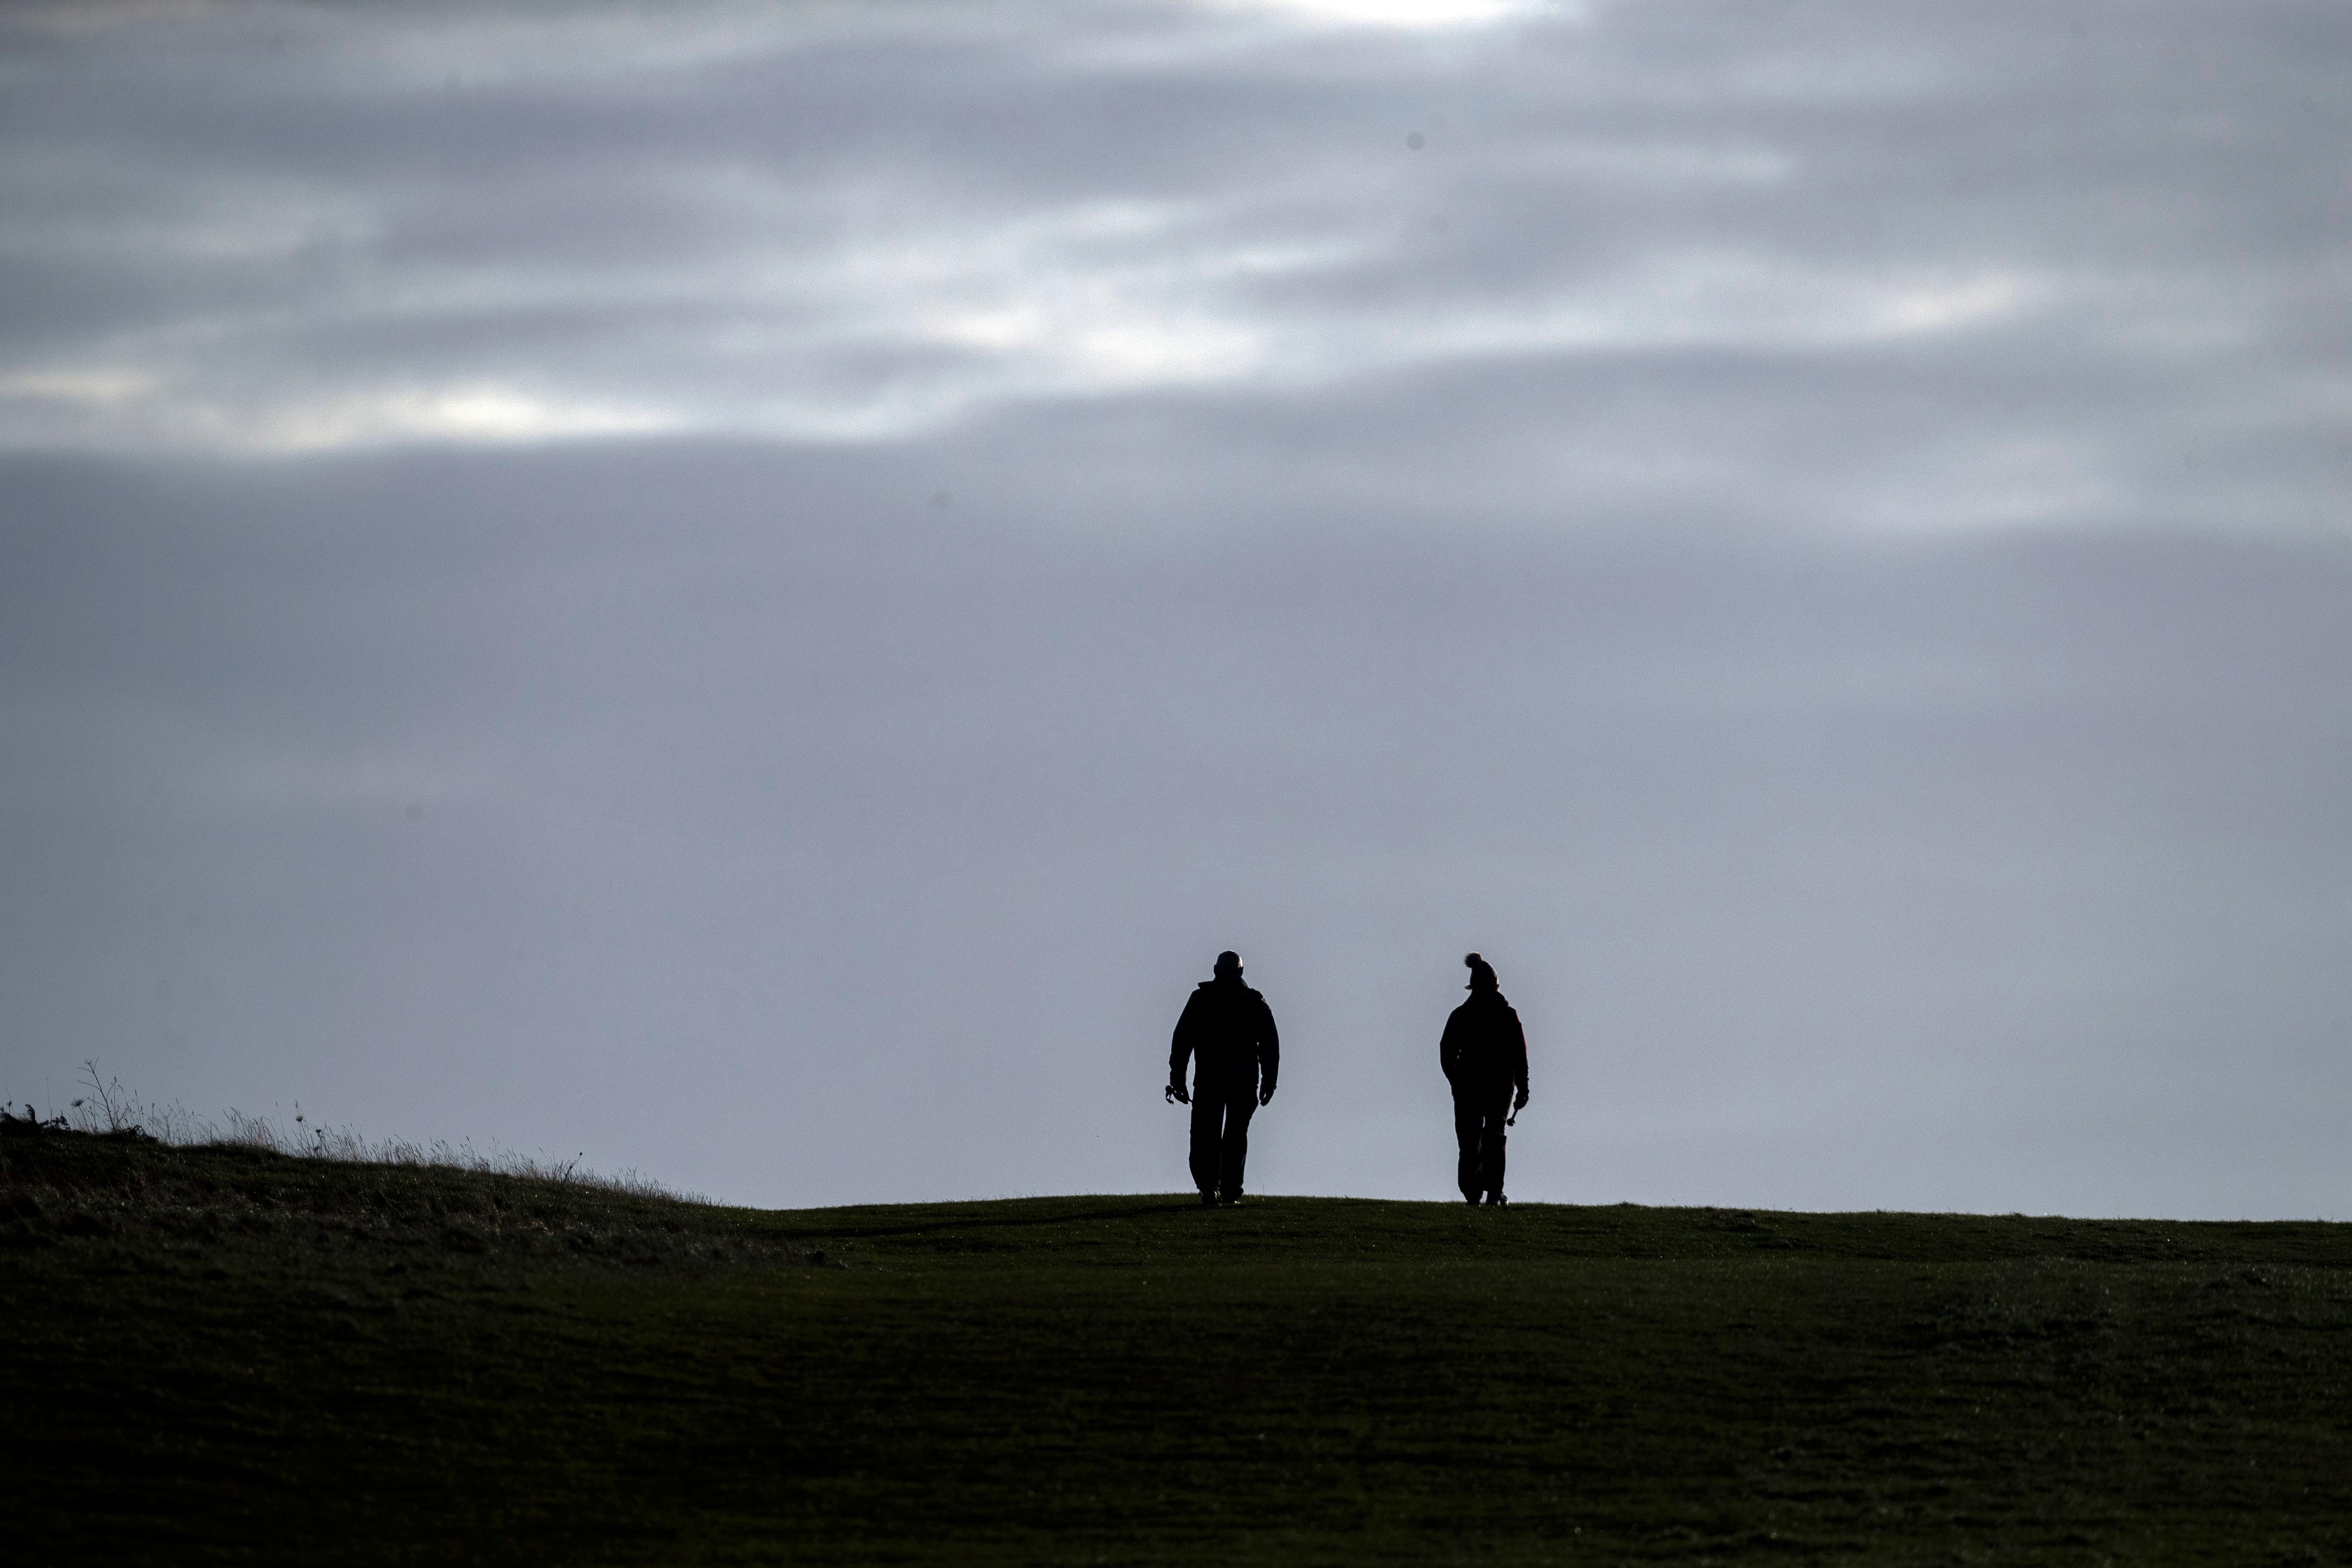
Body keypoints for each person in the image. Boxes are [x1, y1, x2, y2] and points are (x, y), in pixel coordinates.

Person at [1166, 950, 1279, 1206]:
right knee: (1231, 1137)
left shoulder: (1203, 1000)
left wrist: (1178, 1078)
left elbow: (1182, 1041)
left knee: (1211, 1136)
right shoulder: (1250, 1001)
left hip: (1213, 1080)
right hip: (1237, 1080)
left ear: (1216, 970)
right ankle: (1222, 1191)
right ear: (1241, 972)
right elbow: (1270, 1046)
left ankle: (1214, 1190)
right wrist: (1270, 1080)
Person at [1440, 952, 1527, 1206]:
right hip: (1499, 1085)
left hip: (1468, 1085)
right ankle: (1492, 1193)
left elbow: (1446, 1052)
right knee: (1493, 1137)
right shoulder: (1507, 1015)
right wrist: (1523, 1089)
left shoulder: (1461, 1015)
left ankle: (1473, 1195)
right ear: (1495, 985)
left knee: (1469, 1140)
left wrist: (1456, 1080)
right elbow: (1519, 1056)